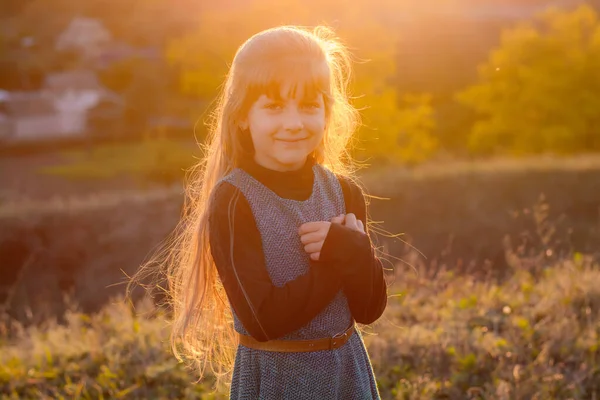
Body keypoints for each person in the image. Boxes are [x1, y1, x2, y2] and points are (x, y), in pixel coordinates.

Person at [131, 25, 388, 399]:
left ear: (327, 112)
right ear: (241, 115)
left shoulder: (344, 192)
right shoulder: (235, 200)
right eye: (274, 107)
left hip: (348, 374)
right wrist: (338, 257)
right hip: (277, 380)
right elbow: (264, 319)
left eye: (309, 106)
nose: (294, 123)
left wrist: (358, 254)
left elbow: (368, 309)